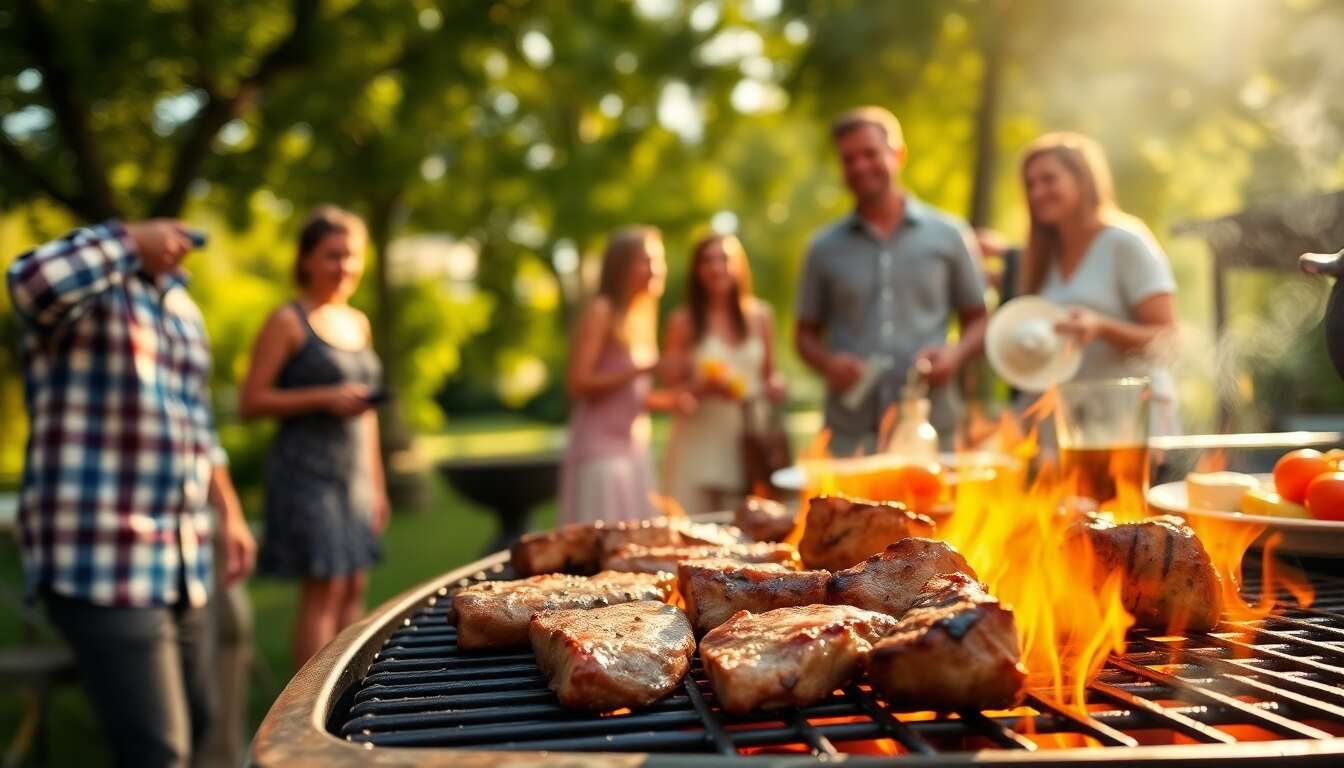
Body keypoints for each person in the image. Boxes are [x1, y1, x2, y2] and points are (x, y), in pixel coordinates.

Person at [6, 219, 256, 768]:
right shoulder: (88, 295)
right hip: (100, 561)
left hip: (183, 561)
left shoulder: (183, 308)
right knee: (157, 751)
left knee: (202, 726)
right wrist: (130, 239)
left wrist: (230, 512)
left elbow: (198, 423)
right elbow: (30, 281)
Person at [239, 206, 388, 668]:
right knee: (325, 586)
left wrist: (377, 485)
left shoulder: (358, 322)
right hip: (306, 472)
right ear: (306, 260)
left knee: (355, 584)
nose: (344, 266)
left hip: (353, 475)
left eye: (351, 255)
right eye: (332, 255)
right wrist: (323, 396)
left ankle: (348, 690)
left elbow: (367, 415)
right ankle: (311, 701)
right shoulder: (286, 320)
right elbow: (251, 402)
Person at [796, 106, 989, 455]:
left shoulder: (949, 235)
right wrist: (827, 363)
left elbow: (979, 319)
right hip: (850, 436)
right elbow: (804, 335)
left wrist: (955, 355)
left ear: (898, 154)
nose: (860, 166)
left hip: (932, 428)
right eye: (849, 159)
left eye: (870, 153)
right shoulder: (822, 249)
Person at [1017, 132, 1180, 435]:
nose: (1037, 192)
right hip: (1071, 428)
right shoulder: (1042, 257)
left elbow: (1170, 340)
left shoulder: (1125, 242)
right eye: (1030, 184)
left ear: (1082, 180)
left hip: (1131, 425)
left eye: (1049, 179)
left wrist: (1102, 328)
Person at [560, 226, 687, 525]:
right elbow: (578, 382)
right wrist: (644, 369)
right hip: (602, 454)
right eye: (645, 260)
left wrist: (674, 401)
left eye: (658, 260)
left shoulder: (640, 317)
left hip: (634, 450)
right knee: (605, 540)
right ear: (620, 266)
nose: (655, 269)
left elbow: (634, 397)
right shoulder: (601, 311)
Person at [661, 233, 786, 517]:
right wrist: (702, 387)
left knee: (749, 525)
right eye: (707, 260)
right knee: (692, 524)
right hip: (699, 441)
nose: (717, 267)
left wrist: (776, 387)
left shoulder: (761, 316)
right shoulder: (683, 322)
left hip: (748, 438)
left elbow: (770, 375)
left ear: (739, 264)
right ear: (697, 270)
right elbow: (672, 390)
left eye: (724, 259)